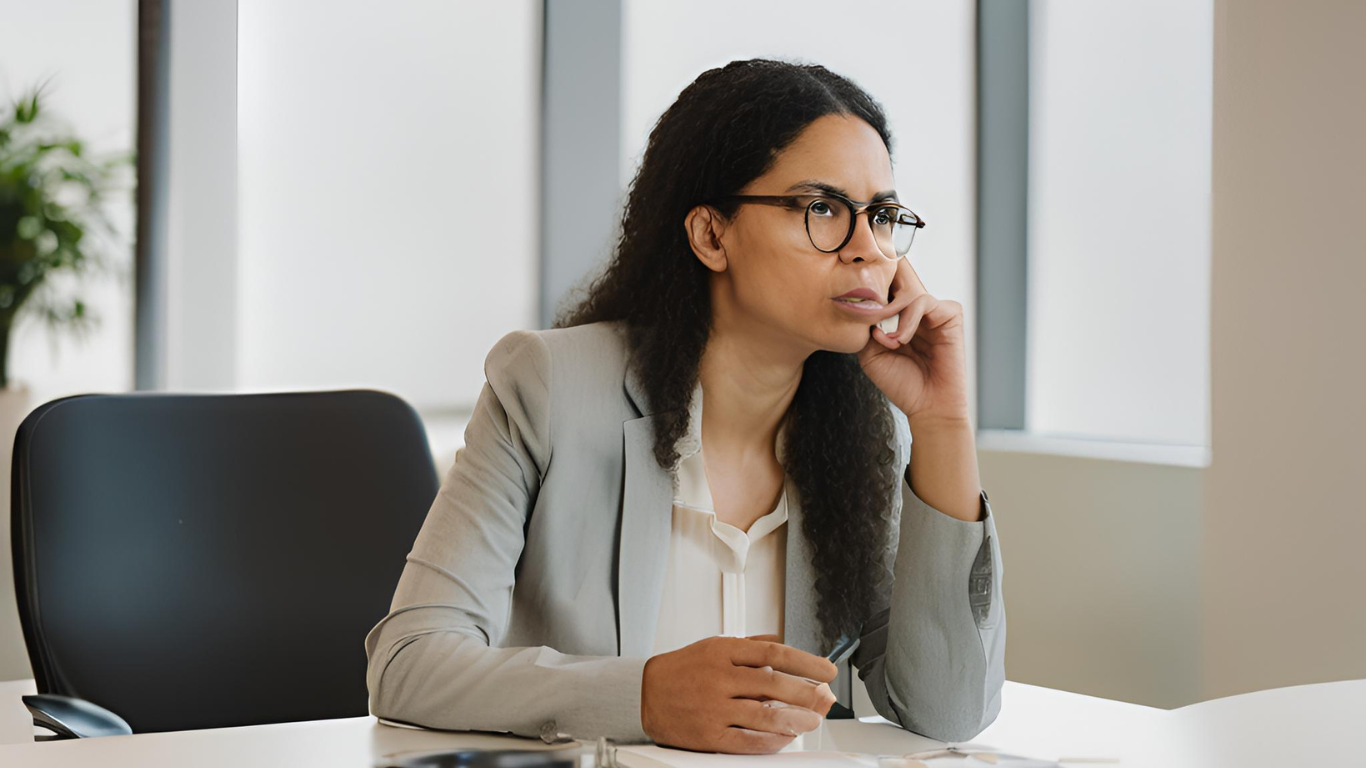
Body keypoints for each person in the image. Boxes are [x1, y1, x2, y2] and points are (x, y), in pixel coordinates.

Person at [364, 58, 1005, 755]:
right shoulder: (550, 389)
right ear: (711, 235)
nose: (866, 251)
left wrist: (943, 423)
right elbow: (410, 663)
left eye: (879, 216)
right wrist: (640, 697)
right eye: (822, 208)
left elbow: (949, 710)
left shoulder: (857, 433)